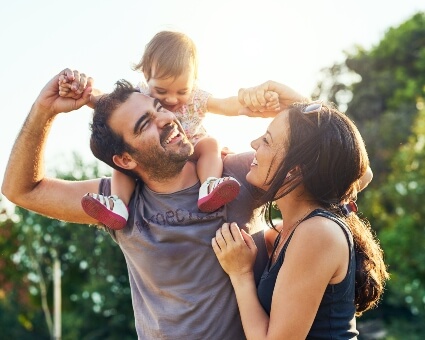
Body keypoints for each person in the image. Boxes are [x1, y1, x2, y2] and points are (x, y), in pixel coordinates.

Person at [2, 69, 305, 339]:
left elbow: (341, 173)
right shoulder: (117, 204)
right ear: (125, 160)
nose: (166, 119)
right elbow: (21, 190)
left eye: (158, 108)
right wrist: (44, 110)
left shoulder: (236, 174)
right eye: (145, 123)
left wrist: (300, 103)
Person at [212, 89, 389, 339]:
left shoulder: (317, 233)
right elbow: (355, 169)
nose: (253, 144)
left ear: (294, 170)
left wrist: (241, 275)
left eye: (266, 140)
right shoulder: (290, 231)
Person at [59, 31, 280, 230]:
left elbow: (224, 104)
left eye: (182, 90)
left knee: (210, 144)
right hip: (156, 155)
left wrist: (248, 105)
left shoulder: (195, 98)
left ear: (193, 81)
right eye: (161, 90)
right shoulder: (140, 96)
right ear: (147, 75)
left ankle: (210, 184)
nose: (172, 99)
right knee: (125, 163)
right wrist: (83, 93)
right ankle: (118, 203)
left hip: (191, 147)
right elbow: (106, 102)